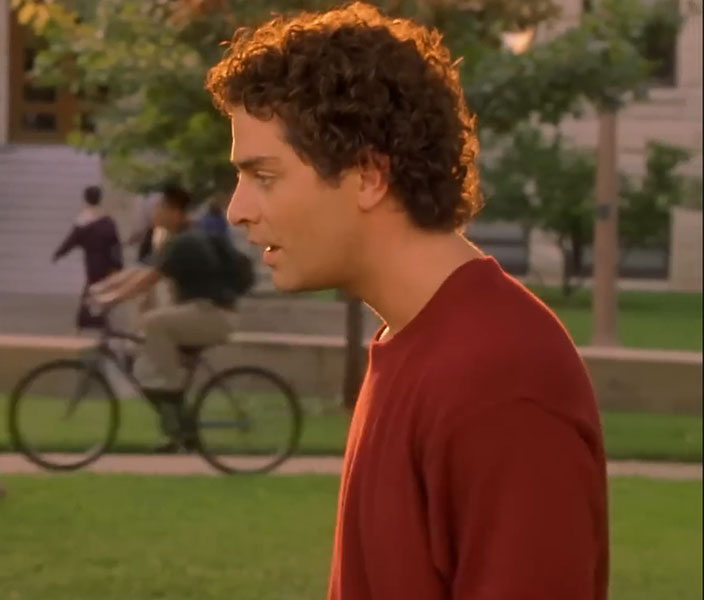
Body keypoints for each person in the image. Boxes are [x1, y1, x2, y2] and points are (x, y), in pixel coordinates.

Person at [206, 4, 607, 599]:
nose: (237, 209)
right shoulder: (413, 341)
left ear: (368, 175)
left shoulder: (501, 376)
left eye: (264, 176)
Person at [91, 184, 247, 451]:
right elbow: (140, 270)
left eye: (161, 207)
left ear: (176, 212)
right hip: (200, 314)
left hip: (212, 314)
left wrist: (110, 300)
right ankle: (179, 433)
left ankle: (169, 386)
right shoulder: (177, 239)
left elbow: (148, 280)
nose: (155, 213)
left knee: (154, 324)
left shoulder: (186, 241)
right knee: (145, 367)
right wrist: (102, 288)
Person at [53, 185, 124, 331]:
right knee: (96, 287)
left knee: (93, 286)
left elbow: (71, 240)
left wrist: (59, 253)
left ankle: (87, 318)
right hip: (107, 260)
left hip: (92, 259)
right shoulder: (107, 219)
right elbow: (115, 243)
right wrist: (117, 264)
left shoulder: (83, 219)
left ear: (85, 198)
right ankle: (91, 317)